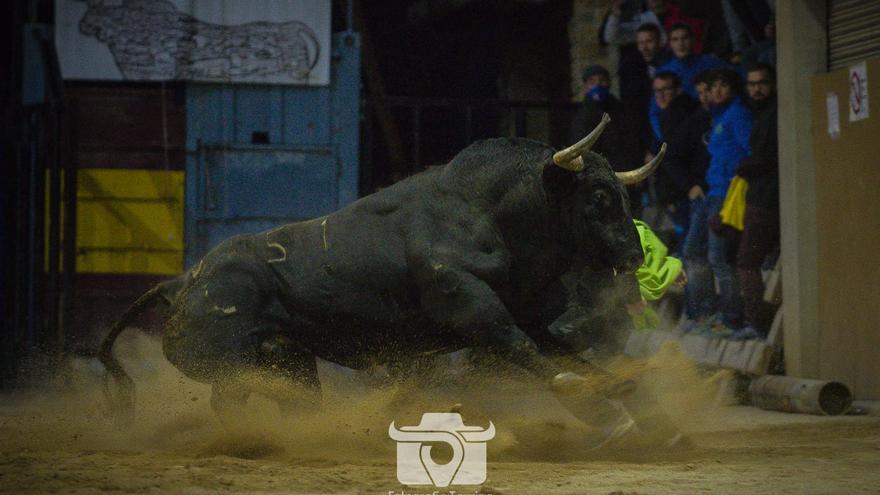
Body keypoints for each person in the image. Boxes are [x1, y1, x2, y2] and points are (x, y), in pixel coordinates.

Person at [681, 69, 751, 335]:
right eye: (713, 87)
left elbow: (750, 152)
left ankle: (731, 320)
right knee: (692, 252)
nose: (717, 91)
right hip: (712, 192)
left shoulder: (738, 114)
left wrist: (736, 184)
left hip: (726, 193)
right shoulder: (718, 116)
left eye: (724, 85)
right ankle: (706, 315)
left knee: (718, 258)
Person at [729, 63, 778, 341]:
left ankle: (759, 325)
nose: (756, 89)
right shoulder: (761, 115)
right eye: (752, 84)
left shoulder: (772, 116)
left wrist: (743, 168)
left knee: (746, 261)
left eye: (762, 83)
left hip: (766, 200)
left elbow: (767, 158)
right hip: (761, 197)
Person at [661, 69, 714, 258]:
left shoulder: (733, 115)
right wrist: (690, 185)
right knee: (694, 252)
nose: (705, 97)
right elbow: (672, 156)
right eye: (700, 93)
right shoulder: (694, 121)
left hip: (722, 191)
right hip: (703, 194)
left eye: (708, 90)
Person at [657, 22, 725, 98]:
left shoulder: (710, 62)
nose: (681, 44)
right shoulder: (664, 71)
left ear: (693, 40)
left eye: (685, 38)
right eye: (675, 39)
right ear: (670, 44)